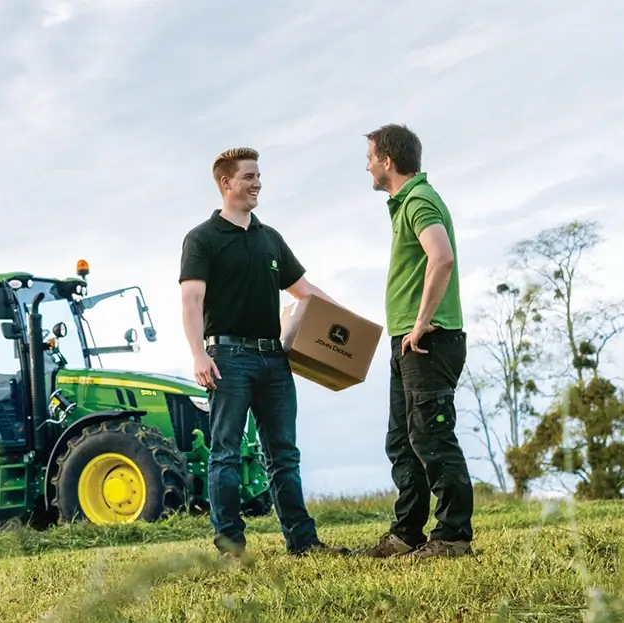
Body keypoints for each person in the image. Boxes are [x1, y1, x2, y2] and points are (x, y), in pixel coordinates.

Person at [178, 146, 349, 557]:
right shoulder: (202, 239)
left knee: (284, 455)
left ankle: (303, 542)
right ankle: (231, 547)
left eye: (258, 176)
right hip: (227, 360)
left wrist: (350, 324)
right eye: (249, 176)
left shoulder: (270, 239)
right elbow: (191, 301)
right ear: (226, 183)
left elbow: (304, 293)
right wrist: (199, 354)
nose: (257, 183)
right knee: (225, 455)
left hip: (274, 359)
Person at [359, 124, 474, 561]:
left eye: (370, 156)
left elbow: (441, 256)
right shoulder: (405, 204)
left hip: (430, 339)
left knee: (432, 437)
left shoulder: (420, 200)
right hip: (407, 341)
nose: (366, 165)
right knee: (403, 440)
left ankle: (453, 535)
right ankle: (408, 533)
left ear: (387, 161)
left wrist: (422, 321)